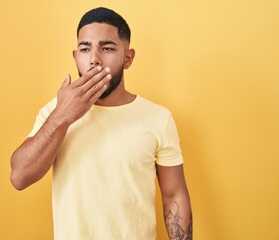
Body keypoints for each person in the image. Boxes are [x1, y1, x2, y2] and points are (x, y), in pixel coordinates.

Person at [10, 7, 193, 240]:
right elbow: (19, 177)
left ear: (128, 58)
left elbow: (174, 194)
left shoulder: (158, 118)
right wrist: (63, 116)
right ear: (76, 57)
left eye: (107, 48)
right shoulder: (54, 112)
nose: (94, 59)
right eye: (85, 49)